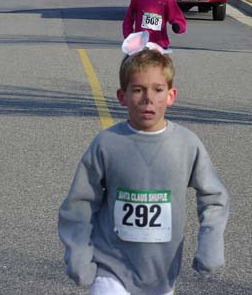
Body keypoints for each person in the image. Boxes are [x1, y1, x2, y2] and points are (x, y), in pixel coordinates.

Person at [58, 48, 229, 295]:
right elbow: (80, 202)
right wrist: (78, 255)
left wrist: (211, 244)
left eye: (158, 90)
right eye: (138, 90)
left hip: (162, 274)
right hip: (111, 267)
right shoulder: (106, 144)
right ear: (122, 96)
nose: (148, 98)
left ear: (171, 95)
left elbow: (214, 197)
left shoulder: (186, 144)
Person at [122, 0, 187, 49]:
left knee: (164, 63)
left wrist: (178, 26)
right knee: (131, 63)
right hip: (140, 44)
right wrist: (128, 35)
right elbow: (129, 18)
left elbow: (177, 17)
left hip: (160, 45)